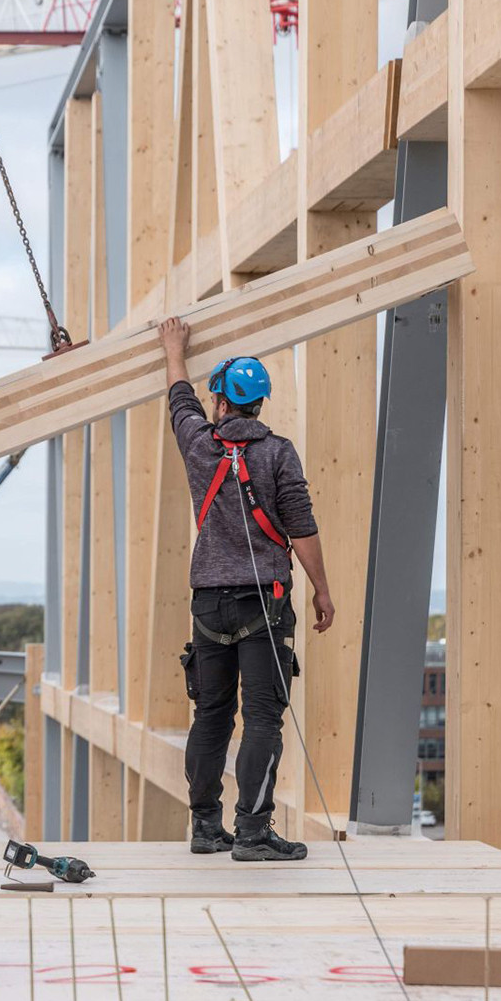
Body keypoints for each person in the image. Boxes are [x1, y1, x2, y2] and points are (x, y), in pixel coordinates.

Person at [158, 318, 335, 862]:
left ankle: (207, 828)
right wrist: (322, 591)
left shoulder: (196, 444)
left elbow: (178, 400)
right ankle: (253, 832)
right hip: (267, 602)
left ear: (221, 402)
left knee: (212, 716)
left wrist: (174, 348)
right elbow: (301, 528)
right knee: (262, 717)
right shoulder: (279, 453)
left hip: (208, 602)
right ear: (259, 404)